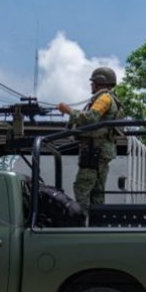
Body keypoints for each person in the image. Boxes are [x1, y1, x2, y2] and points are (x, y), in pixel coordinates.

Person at [57, 67, 122, 213]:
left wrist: (68, 111)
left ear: (100, 82)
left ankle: (82, 223)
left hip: (95, 151)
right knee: (97, 191)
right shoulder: (110, 98)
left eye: (93, 82)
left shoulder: (104, 98)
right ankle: (96, 225)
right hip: (101, 151)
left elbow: (91, 118)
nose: (91, 85)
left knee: (82, 188)